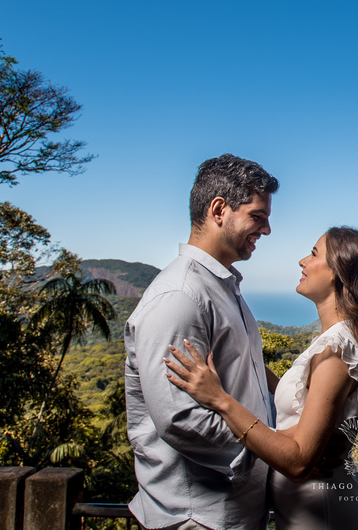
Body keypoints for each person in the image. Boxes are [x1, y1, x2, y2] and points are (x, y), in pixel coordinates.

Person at [166, 226, 358, 530]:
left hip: (324, 515)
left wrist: (220, 400)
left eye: (313, 253)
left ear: (337, 273)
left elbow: (298, 462)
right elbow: (297, 401)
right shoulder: (333, 342)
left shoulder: (336, 352)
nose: (302, 261)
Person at [124, 154, 280, 530]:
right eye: (258, 217)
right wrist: (265, 450)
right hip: (199, 516)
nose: (267, 230)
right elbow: (180, 418)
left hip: (234, 510)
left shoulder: (222, 288)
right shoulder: (180, 296)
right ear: (219, 210)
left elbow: (246, 377)